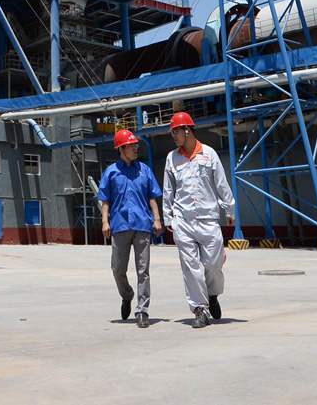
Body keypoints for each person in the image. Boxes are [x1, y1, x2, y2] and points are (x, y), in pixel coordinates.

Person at [162, 112, 234, 328]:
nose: (173, 135)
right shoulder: (171, 158)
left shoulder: (209, 154)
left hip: (208, 220)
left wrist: (230, 209)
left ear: (187, 130)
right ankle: (199, 309)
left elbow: (221, 182)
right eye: (172, 132)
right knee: (190, 267)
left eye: (176, 131)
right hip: (183, 220)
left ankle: (213, 295)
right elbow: (168, 189)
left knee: (213, 264)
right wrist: (168, 216)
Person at [97, 128, 163, 328]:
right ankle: (127, 295)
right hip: (120, 225)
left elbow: (152, 196)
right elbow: (105, 200)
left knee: (143, 270)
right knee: (118, 269)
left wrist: (157, 219)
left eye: (136, 144)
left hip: (142, 224)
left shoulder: (144, 170)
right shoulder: (111, 173)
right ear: (121, 149)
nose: (135, 148)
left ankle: (142, 310)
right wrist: (105, 221)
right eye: (131, 145)